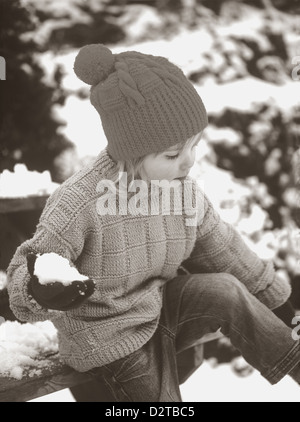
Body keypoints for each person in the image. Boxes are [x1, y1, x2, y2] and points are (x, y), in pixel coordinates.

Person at [6, 44, 300, 402]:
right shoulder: (79, 203)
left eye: (194, 146)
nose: (188, 162)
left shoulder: (182, 193)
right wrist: (39, 288)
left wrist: (282, 307)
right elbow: (25, 272)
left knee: (225, 289)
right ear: (133, 152)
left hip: (159, 307)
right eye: (173, 154)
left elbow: (226, 251)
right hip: (107, 339)